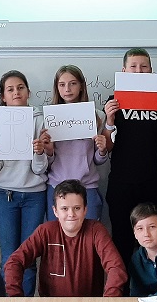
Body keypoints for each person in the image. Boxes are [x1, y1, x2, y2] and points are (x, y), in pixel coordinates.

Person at [102, 48, 157, 266]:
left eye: (143, 66)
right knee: (122, 240)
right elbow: (107, 146)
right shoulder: (114, 101)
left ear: (151, 71)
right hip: (122, 183)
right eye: (133, 66)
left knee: (156, 242)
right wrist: (109, 119)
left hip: (154, 182)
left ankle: (156, 284)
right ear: (124, 71)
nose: (138, 70)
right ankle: (123, 286)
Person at [0, 70, 49, 296]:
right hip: (5, 195)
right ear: (3, 96)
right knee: (9, 256)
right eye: (10, 89)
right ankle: (9, 299)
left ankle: (26, 299)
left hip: (35, 195)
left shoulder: (40, 121)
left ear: (28, 92)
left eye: (20, 88)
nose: (16, 92)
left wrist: (39, 152)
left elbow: (40, 169)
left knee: (29, 258)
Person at [4, 179, 127, 297]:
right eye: (64, 209)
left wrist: (110, 298)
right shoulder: (45, 231)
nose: (71, 214)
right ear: (55, 211)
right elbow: (15, 262)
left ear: (85, 210)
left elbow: (116, 267)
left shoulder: (96, 231)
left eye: (77, 208)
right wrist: (15, 297)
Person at [44, 65, 109, 220]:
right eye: (62, 84)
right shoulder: (49, 118)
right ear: (57, 88)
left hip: (87, 187)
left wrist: (102, 150)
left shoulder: (97, 116)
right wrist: (49, 151)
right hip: (57, 186)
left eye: (73, 83)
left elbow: (98, 160)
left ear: (81, 86)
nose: (67, 89)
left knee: (89, 233)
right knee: (58, 234)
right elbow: (47, 162)